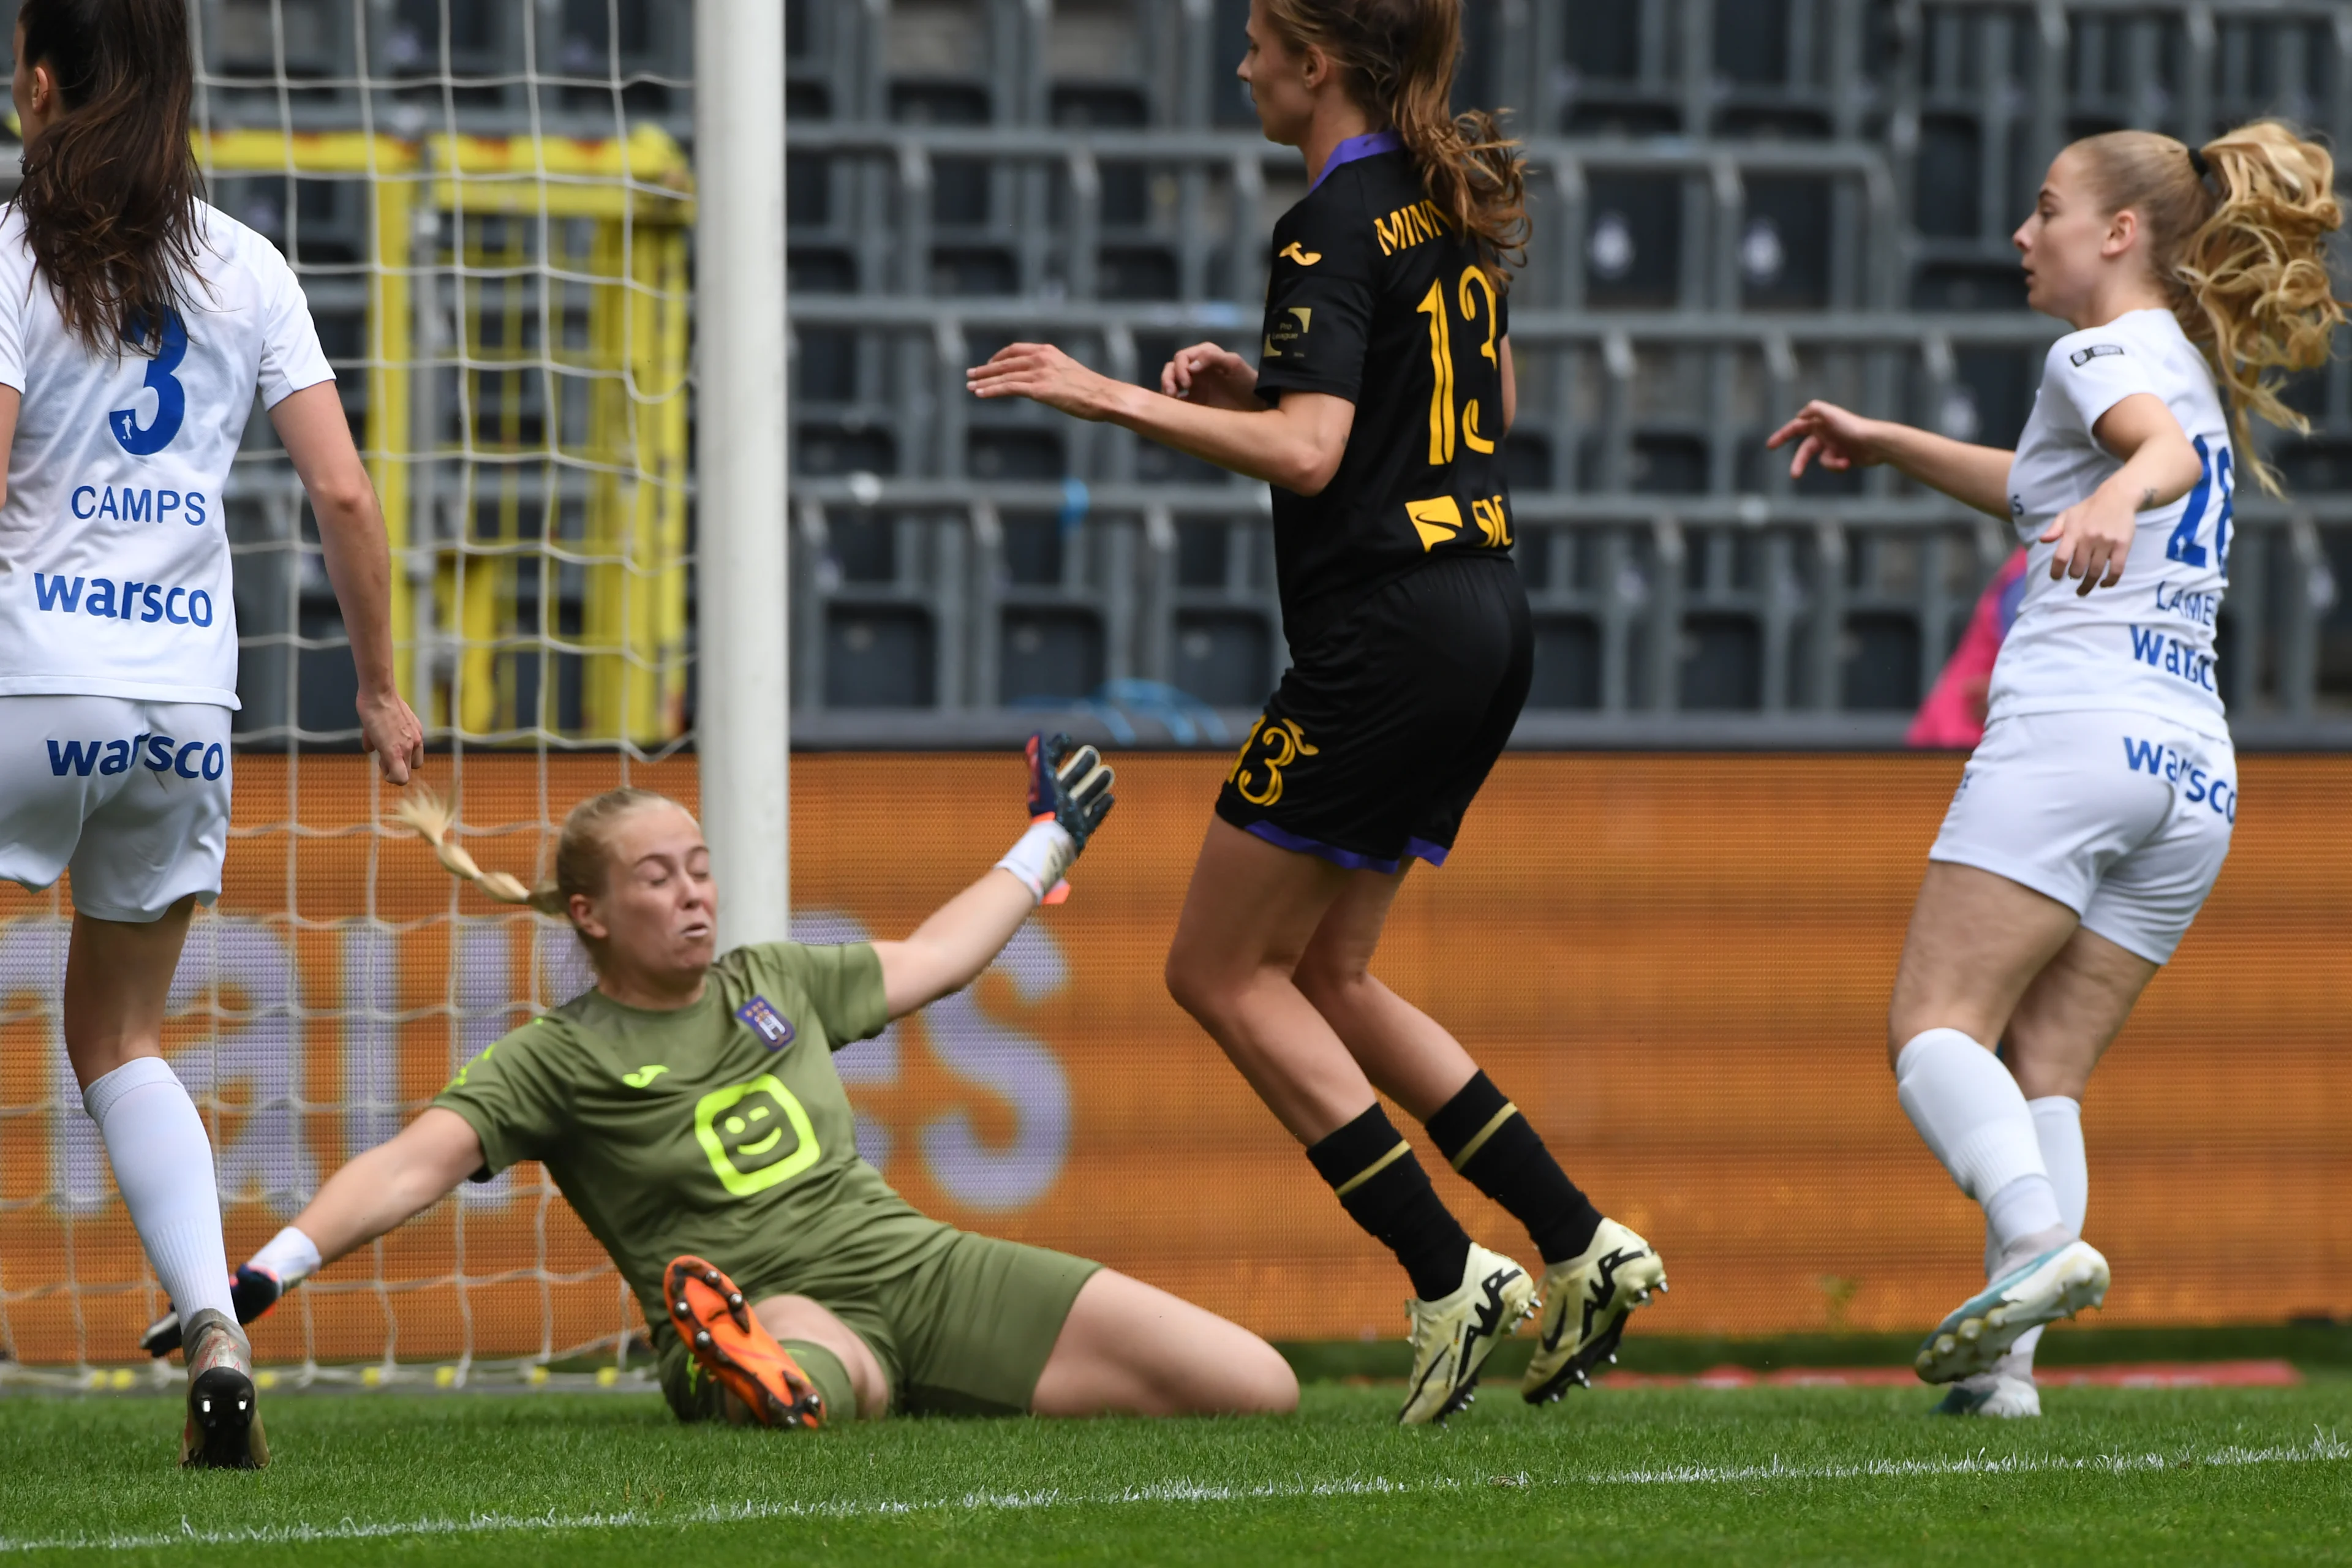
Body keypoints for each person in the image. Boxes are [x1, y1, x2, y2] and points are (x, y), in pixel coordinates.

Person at [966, 0, 1662, 1425]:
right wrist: (1273, 381)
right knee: (1333, 973)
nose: (1242, 67)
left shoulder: (1329, 220)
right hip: (1487, 613)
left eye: (1258, 45)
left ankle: (1441, 1265)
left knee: (1217, 970)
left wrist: (1110, 395)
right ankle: (1581, 1237)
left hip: (1387, 631)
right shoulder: (1445, 203)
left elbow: (1310, 450)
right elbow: (1484, 395)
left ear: (1318, 63)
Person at [143, 740, 1300, 1429]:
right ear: (590, 916)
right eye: (659, 877)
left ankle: (821, 1378)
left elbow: (941, 957)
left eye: (700, 868)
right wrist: (260, 1274)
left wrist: (1046, 842)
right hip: (774, 1295)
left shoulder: (777, 977)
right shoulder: (559, 1056)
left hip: (920, 1264)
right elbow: (412, 1166)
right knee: (805, 1368)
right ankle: (743, 1365)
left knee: (1260, 1388)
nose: (695, 893)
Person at [1768, 121, 2343, 1417]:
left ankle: (2032, 1246)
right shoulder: (2185, 360)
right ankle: (2009, 1379)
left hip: (2077, 728)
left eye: (2045, 211)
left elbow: (2162, 460)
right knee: (2046, 1071)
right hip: (2191, 768)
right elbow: (2051, 481)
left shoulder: (2096, 351)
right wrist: (1893, 441)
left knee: (1934, 1025)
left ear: (2120, 233)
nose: (2023, 236)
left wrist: (2114, 494)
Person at [0, 0, 423, 1467]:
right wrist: (377, 689)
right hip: (187, 702)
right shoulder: (245, 265)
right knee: (121, 1031)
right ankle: (213, 1315)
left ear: (42, 84)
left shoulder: (6, 255)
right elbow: (350, 499)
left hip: (28, 675)